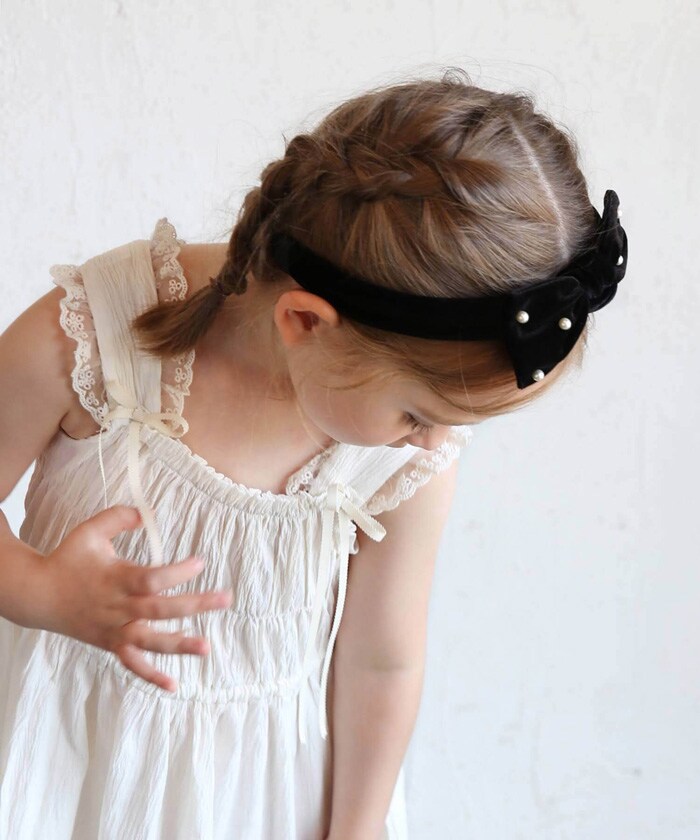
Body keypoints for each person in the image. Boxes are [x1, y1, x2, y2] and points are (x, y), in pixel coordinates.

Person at [0, 69, 628, 840]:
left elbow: (381, 659)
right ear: (305, 321)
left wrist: (356, 828)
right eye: (418, 414)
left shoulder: (399, 451)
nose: (435, 444)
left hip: (266, 799)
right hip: (68, 767)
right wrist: (39, 592)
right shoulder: (95, 339)